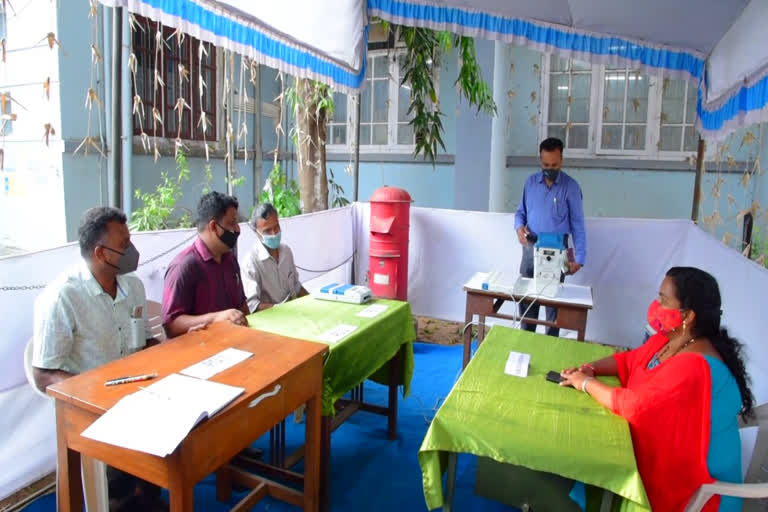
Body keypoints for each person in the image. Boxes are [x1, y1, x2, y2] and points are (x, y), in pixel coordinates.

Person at [559, 267, 753, 511]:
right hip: (674, 458)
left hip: (699, 489)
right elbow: (630, 360)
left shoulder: (696, 366)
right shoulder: (671, 339)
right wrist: (590, 369)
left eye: (663, 299)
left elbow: (636, 406)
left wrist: (585, 384)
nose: (656, 305)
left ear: (688, 316)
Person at [32, 206, 166, 512]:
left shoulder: (132, 286)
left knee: (179, 437)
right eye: (124, 244)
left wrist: (162, 353)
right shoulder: (63, 297)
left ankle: (145, 495)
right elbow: (43, 374)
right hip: (91, 407)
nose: (132, 250)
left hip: (136, 391)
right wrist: (94, 392)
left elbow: (143, 339)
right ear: (101, 253)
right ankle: (121, 496)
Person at [514, 137, 586, 336]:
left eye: (554, 165)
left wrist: (578, 258)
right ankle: (526, 340)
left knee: (552, 303)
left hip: (557, 249)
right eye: (546, 164)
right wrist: (519, 228)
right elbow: (521, 212)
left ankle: (549, 344)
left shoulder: (571, 187)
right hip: (531, 246)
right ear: (540, 161)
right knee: (528, 299)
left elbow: (578, 225)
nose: (550, 169)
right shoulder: (530, 183)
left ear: (561, 161)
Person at [162, 191, 249, 338]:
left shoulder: (230, 259)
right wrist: (214, 319)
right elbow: (171, 324)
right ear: (214, 226)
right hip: (201, 352)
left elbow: (241, 306)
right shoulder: (184, 266)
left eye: (237, 222)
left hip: (235, 342)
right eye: (231, 223)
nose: (237, 229)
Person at [243, 203, 308, 313]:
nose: (274, 233)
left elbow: (296, 287)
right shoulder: (251, 262)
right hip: (269, 319)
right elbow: (252, 305)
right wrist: (281, 310)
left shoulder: (286, 251)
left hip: (293, 313)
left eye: (276, 227)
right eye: (267, 230)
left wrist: (312, 300)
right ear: (257, 233)